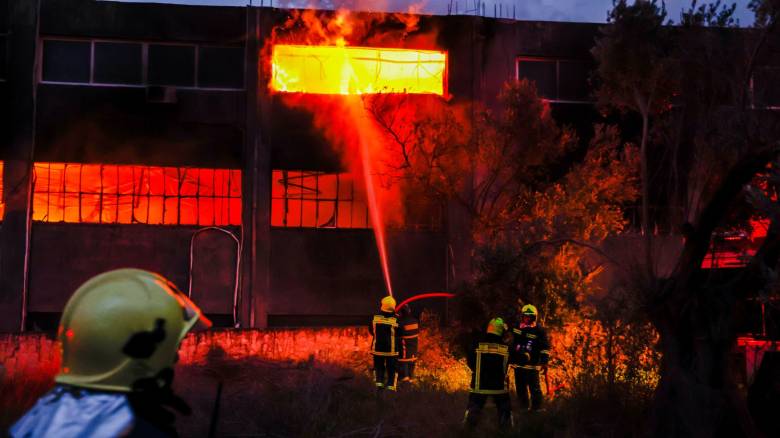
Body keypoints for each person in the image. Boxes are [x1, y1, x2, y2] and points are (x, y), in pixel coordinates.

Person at [10, 268, 211, 438]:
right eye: (174, 348)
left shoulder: (39, 418)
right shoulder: (132, 429)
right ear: (141, 359)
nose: (176, 359)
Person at [463, 317, 513, 431]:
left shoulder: (478, 345)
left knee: (473, 410)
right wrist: (526, 356)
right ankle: (506, 431)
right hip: (499, 388)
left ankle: (467, 431)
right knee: (504, 410)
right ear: (501, 331)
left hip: (479, 387)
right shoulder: (506, 348)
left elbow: (470, 361)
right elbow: (517, 358)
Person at [510, 304, 550, 411]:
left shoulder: (539, 330)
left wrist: (544, 362)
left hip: (532, 366)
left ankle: (536, 409)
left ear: (534, 317)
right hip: (519, 366)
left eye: (529, 316)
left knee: (535, 390)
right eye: (525, 316)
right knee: (521, 390)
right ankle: (523, 409)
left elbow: (545, 347)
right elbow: (513, 342)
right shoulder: (518, 327)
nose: (526, 318)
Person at [368, 295, 401, 391]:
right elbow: (400, 333)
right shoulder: (396, 319)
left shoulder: (374, 318)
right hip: (391, 351)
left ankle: (379, 386)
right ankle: (391, 388)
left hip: (377, 349)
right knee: (392, 369)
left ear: (382, 305)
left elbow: (371, 331)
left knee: (378, 368)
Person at [397, 304, 419, 383]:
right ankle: (411, 378)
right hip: (414, 346)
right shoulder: (415, 321)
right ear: (409, 311)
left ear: (401, 312)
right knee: (412, 361)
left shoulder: (400, 322)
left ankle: (405, 379)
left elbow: (396, 332)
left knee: (404, 361)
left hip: (405, 346)